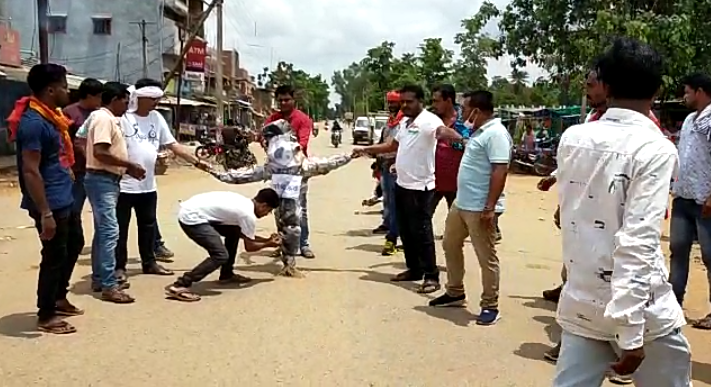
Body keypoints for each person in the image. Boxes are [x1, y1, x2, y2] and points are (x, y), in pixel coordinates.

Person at [552, 37, 690, 387]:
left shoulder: (573, 137)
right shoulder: (655, 149)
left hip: (582, 300)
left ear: (607, 85)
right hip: (641, 311)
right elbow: (638, 242)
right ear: (657, 91)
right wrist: (631, 332)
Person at [210, 119, 353, 277]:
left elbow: (328, 163)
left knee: (292, 227)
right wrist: (217, 173)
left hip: (292, 200)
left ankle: (290, 261)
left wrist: (350, 155)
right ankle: (287, 257)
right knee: (284, 226)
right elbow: (244, 175)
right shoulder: (275, 166)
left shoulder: (299, 165)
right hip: (278, 203)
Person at [7, 64, 82, 334]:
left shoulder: (53, 116)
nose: (67, 90)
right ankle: (46, 313)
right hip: (49, 201)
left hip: (63, 194)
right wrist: (45, 213)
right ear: (50, 90)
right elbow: (30, 169)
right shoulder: (34, 123)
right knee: (53, 255)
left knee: (75, 243)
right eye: (63, 86)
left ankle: (59, 296)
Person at [115, 78, 211, 285]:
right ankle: (119, 267)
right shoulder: (122, 118)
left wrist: (196, 161)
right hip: (123, 185)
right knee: (120, 228)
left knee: (148, 226)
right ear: (141, 97)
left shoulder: (157, 118)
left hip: (148, 186)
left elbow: (173, 144)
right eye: (153, 99)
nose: (156, 103)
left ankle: (149, 262)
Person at [428, 91, 512, 326]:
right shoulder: (479, 133)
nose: (462, 112)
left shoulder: (496, 134)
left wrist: (490, 206)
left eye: (465, 108)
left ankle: (490, 305)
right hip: (462, 203)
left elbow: (500, 170)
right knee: (449, 244)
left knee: (486, 257)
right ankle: (455, 291)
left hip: (479, 208)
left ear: (476, 110)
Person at [353, 84, 443, 293]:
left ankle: (431, 276)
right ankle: (414, 269)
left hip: (421, 187)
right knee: (405, 230)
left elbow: (441, 132)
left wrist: (457, 139)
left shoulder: (430, 121)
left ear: (421, 101)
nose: (404, 105)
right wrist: (366, 149)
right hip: (402, 184)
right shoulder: (404, 123)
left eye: (409, 102)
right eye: (402, 102)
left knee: (422, 232)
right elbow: (392, 146)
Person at [83, 82, 145, 303]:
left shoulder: (108, 119)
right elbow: (100, 152)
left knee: (103, 231)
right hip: (101, 179)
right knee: (110, 231)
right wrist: (129, 165)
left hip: (107, 179)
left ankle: (101, 278)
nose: (127, 105)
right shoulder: (103, 118)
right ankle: (109, 284)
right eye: (125, 101)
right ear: (115, 99)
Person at [164, 189, 282, 301]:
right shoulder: (247, 215)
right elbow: (249, 247)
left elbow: (245, 236)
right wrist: (269, 244)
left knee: (234, 232)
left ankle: (227, 274)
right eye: (269, 210)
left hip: (196, 211)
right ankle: (180, 285)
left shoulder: (245, 204)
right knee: (220, 255)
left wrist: (266, 240)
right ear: (264, 206)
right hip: (192, 218)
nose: (267, 214)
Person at [669, 72, 711, 330]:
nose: (684, 95)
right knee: (678, 250)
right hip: (683, 196)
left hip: (705, 200)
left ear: (700, 91)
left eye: (687, 90)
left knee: (710, 256)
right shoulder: (688, 120)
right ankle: (673, 305)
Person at [265, 85, 315, 259]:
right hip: (278, 172)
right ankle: (283, 243)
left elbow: (303, 143)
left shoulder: (303, 119)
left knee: (299, 209)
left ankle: (304, 243)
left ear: (294, 100)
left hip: (297, 170)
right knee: (279, 209)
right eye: (280, 100)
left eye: (287, 99)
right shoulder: (273, 119)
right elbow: (265, 139)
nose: (283, 103)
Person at [64, 78, 103, 235]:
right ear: (89, 96)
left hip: (98, 170)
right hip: (78, 169)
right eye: (99, 96)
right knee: (74, 209)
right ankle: (74, 240)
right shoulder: (69, 113)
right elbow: (63, 141)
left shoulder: (100, 114)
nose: (100, 100)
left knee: (101, 211)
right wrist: (67, 166)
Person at [430, 84, 471, 217]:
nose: (433, 105)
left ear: (448, 101)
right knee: (422, 216)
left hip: (457, 182)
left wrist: (455, 140)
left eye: (436, 101)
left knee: (458, 220)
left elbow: (471, 147)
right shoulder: (431, 120)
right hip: (433, 180)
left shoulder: (465, 122)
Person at [377, 91, 405, 255]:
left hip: (396, 166)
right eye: (389, 103)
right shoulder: (390, 121)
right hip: (385, 166)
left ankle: (392, 238)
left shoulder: (403, 123)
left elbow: (394, 146)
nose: (391, 105)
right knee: (389, 201)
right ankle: (392, 232)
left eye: (394, 102)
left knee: (396, 204)